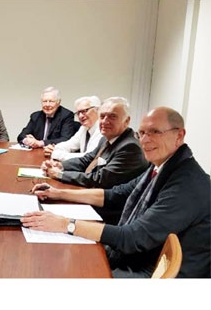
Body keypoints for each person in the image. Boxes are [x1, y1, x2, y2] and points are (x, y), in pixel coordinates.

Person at [23, 107, 210, 278]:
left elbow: (133, 237)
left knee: (66, 270)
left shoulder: (186, 183)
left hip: (157, 275)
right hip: (141, 259)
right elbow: (115, 194)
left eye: (155, 132)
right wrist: (58, 193)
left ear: (179, 135)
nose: (144, 140)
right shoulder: (162, 166)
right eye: (142, 132)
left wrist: (66, 224)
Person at [42, 97, 149, 188]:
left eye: (112, 116)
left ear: (126, 121)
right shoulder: (106, 138)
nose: (105, 121)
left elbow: (99, 179)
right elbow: (86, 160)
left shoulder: (130, 147)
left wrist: (60, 174)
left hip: (108, 205)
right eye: (102, 117)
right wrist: (60, 165)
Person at [44, 95, 102, 161]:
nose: (80, 116)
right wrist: (54, 148)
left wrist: (56, 154)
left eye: (84, 111)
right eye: (78, 113)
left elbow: (88, 157)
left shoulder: (102, 130)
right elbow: (70, 144)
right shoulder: (83, 128)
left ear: (97, 110)